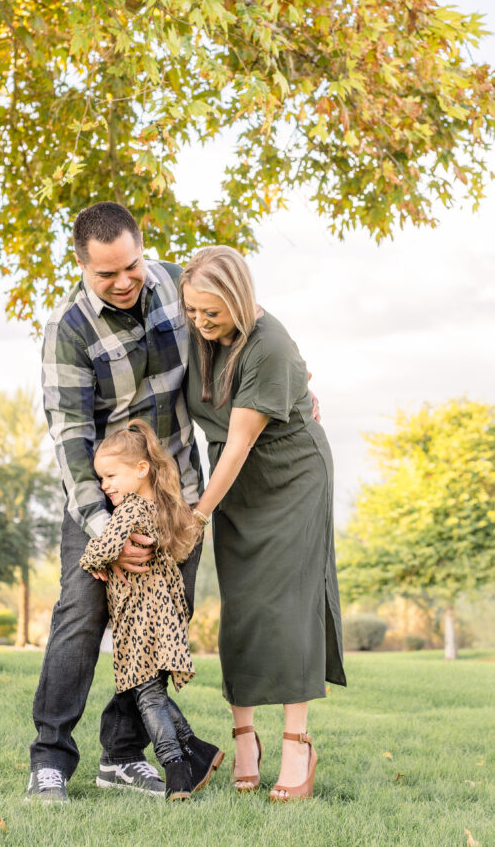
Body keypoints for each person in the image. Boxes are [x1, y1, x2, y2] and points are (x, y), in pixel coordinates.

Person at [27, 202, 220, 804]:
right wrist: (106, 526)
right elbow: (70, 436)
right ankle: (50, 759)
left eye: (130, 265)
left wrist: (298, 379)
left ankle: (122, 755)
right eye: (105, 273)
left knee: (161, 622)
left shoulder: (177, 285)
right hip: (103, 501)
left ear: (143, 248)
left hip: (178, 496)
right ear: (82, 265)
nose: (122, 281)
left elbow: (238, 324)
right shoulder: (70, 328)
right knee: (81, 620)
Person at [180, 245, 347, 801]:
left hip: (290, 475)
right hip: (239, 483)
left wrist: (199, 515)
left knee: (289, 606)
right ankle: (244, 737)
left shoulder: (268, 344)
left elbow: (240, 442)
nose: (201, 324)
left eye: (213, 314)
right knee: (244, 607)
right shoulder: (192, 322)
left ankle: (298, 742)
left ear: (240, 300)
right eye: (193, 312)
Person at [79, 420, 224, 800]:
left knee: (147, 695)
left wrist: (93, 560)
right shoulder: (166, 506)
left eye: (111, 475)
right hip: (166, 615)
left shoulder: (129, 510)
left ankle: (176, 769)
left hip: (141, 618)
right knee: (151, 691)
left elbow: (99, 549)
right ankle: (197, 749)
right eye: (101, 478)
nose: (104, 485)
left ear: (141, 469)